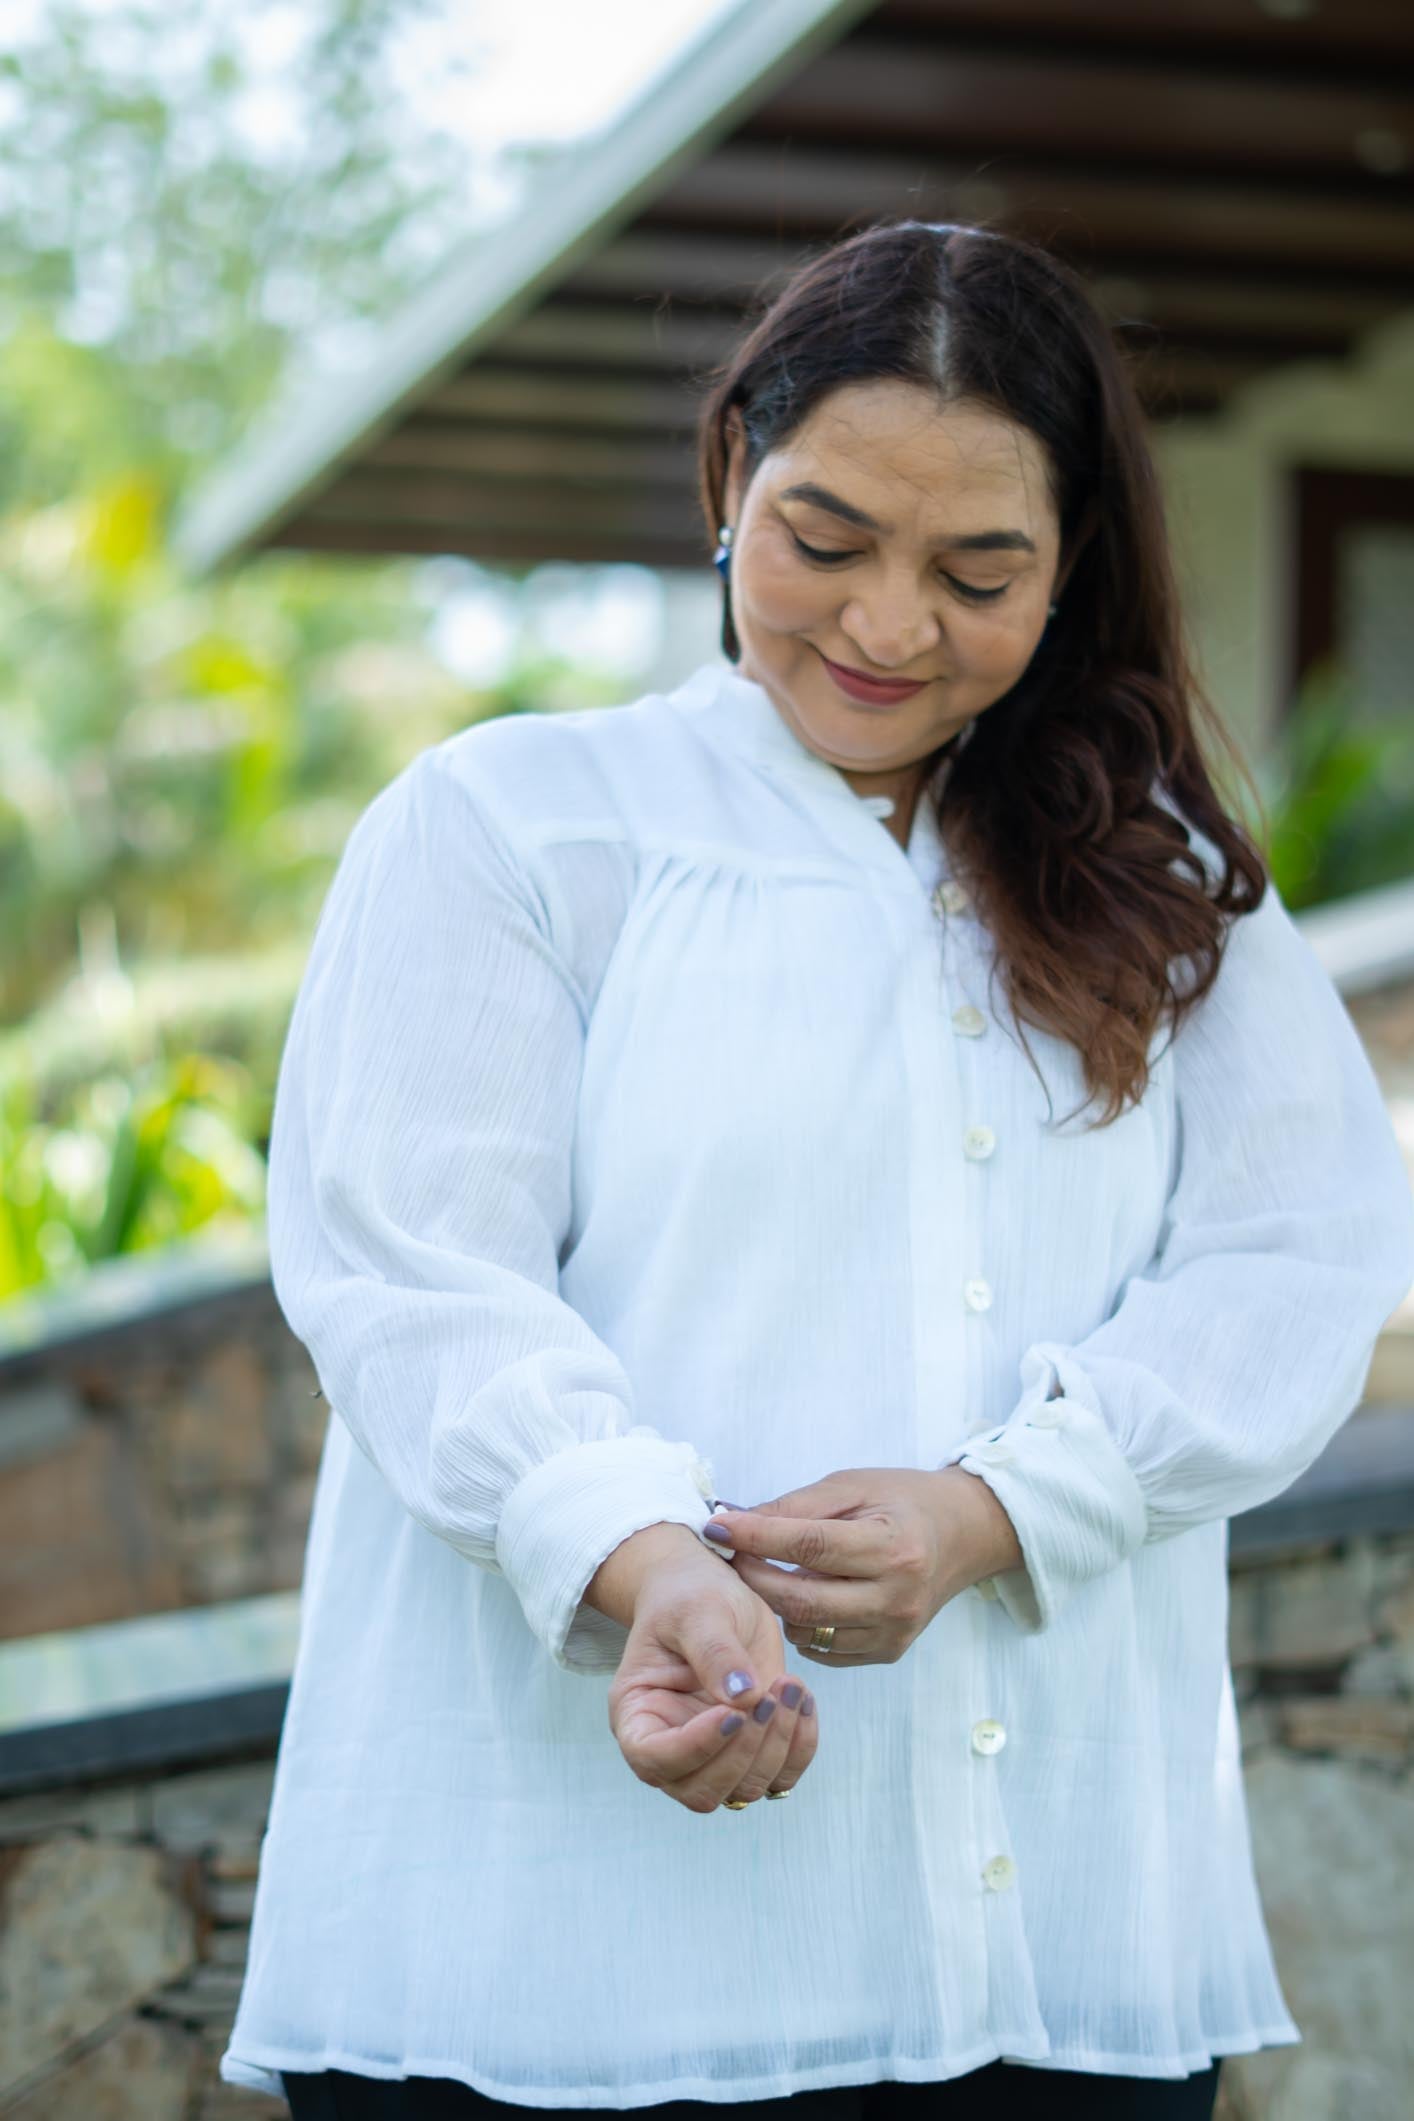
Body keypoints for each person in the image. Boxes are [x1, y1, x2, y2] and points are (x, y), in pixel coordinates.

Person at [219, 219, 1414, 2121]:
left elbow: (1294, 1269)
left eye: (977, 571)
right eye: (825, 538)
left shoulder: (1172, 898)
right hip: (553, 1966)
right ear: (726, 479)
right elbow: (409, 1268)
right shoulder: (513, 825)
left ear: (1071, 568)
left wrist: (999, 1508)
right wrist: (641, 1556)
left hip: (1053, 1965)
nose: (883, 626)